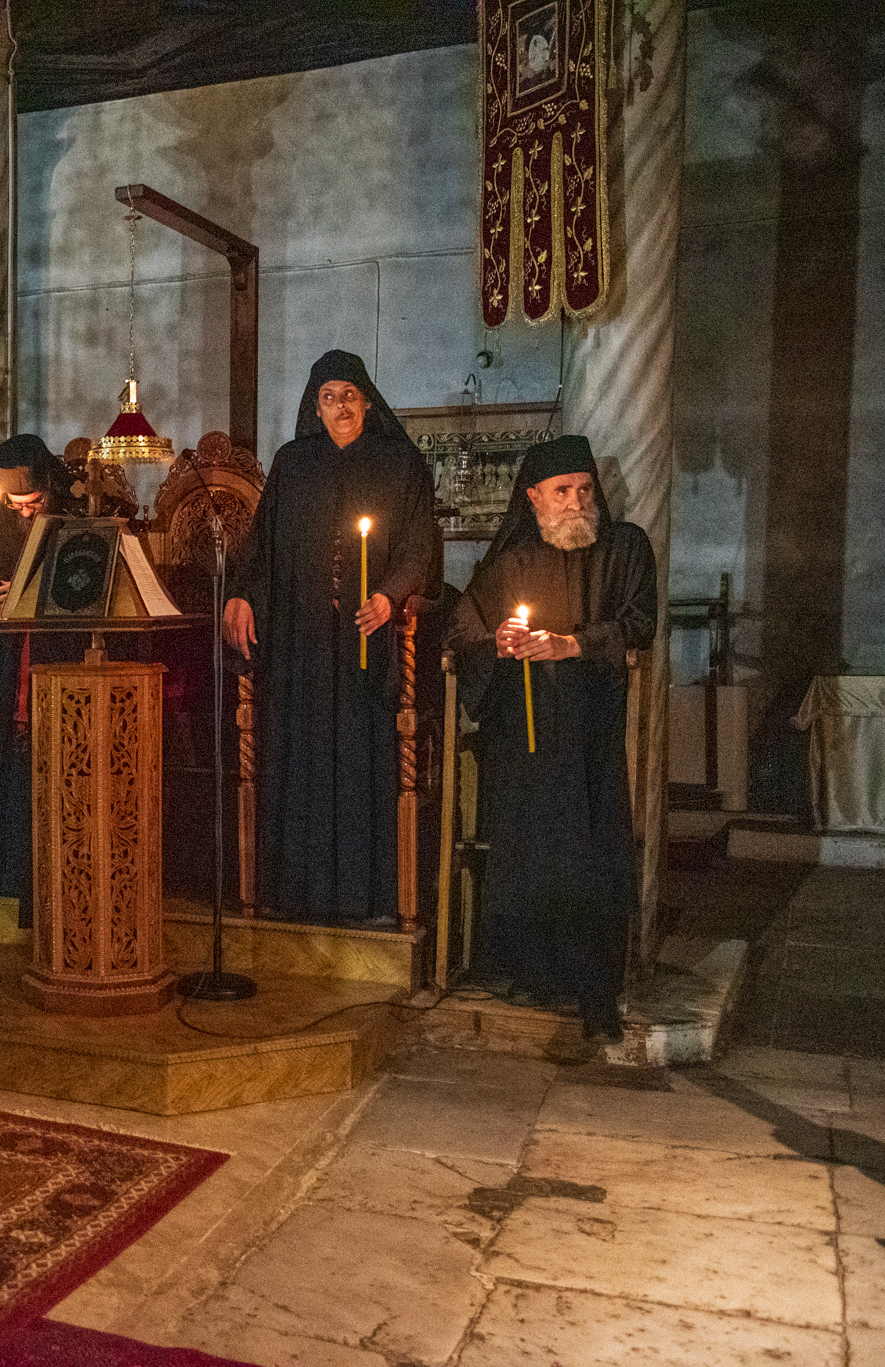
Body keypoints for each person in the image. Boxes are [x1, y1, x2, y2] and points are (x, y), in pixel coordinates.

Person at [446, 435, 656, 1043]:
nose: (576, 503)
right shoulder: (511, 561)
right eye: (562, 491)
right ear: (533, 497)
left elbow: (640, 622)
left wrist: (574, 645)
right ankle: (531, 973)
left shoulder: (625, 547)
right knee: (530, 848)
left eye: (585, 490)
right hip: (525, 737)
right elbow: (463, 630)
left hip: (591, 732)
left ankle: (595, 989)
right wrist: (498, 644)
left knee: (592, 853)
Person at [224, 350, 439, 926]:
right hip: (305, 647)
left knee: (364, 764)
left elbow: (419, 547)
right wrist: (240, 594)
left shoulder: (400, 464)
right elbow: (261, 549)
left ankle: (367, 898)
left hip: (367, 646)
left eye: (349, 395)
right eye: (328, 397)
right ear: (314, 408)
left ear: (367, 402)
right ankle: (298, 894)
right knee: (303, 764)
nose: (340, 406)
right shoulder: (293, 464)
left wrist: (389, 595)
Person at [0, 433, 85, 913]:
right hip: (10, 660)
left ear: (49, 488)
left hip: (61, 654)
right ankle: (6, 884)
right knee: (11, 768)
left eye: (34, 503)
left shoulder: (74, 513)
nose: (24, 513)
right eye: (15, 504)